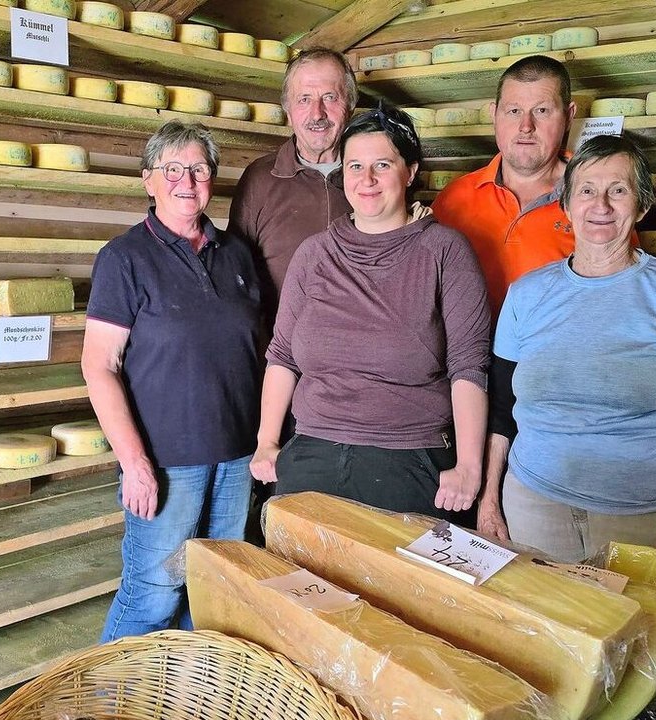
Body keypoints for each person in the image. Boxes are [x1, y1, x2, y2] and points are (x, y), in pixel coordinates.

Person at [478, 135, 656, 561]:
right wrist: (489, 501)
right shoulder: (526, 294)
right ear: (565, 205)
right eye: (587, 191)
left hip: (643, 516)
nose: (601, 206)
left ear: (642, 206)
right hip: (533, 503)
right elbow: (503, 410)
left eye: (618, 190)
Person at [250, 106, 490, 517]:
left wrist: (468, 466)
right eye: (356, 165)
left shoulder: (444, 251)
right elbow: (283, 356)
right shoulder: (315, 254)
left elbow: (469, 365)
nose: (367, 179)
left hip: (410, 457)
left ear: (410, 171)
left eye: (383, 164)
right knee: (305, 581)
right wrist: (267, 441)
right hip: (311, 452)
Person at [83, 121, 263, 641]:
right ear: (148, 180)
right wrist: (134, 463)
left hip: (235, 458)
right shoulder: (124, 259)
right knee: (153, 596)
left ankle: (182, 710)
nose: (187, 181)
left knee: (213, 593)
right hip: (166, 462)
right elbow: (99, 365)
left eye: (200, 169)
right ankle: (105, 713)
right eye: (173, 169)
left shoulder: (235, 254)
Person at [432, 55, 578, 316]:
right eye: (513, 111)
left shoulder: (596, 201)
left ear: (568, 116)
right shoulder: (453, 199)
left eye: (542, 110)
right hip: (468, 353)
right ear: (494, 115)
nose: (526, 127)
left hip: (556, 356)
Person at [229, 48, 356, 323]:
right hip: (280, 358)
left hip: (359, 357)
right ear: (288, 110)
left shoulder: (372, 178)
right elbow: (236, 277)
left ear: (351, 105)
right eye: (304, 99)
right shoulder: (259, 178)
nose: (317, 113)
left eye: (330, 97)